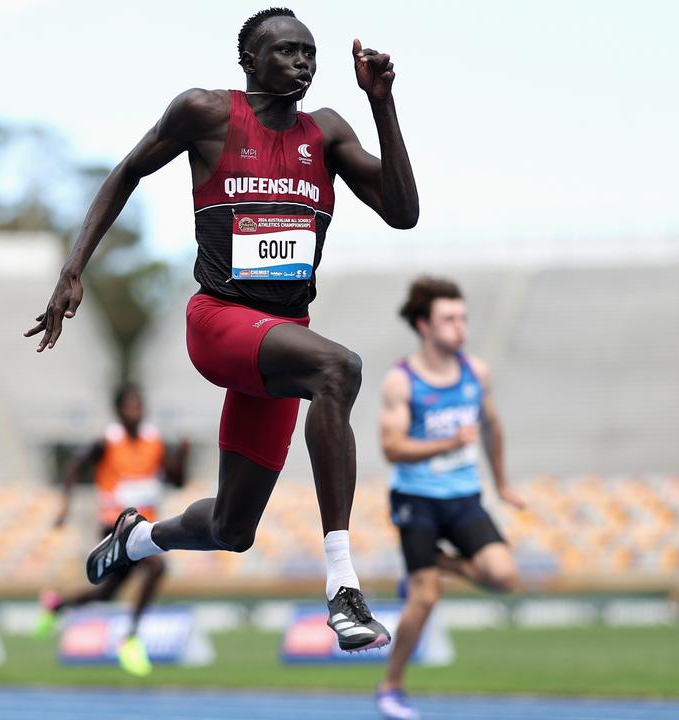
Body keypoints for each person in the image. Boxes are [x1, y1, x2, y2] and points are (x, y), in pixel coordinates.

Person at [25, 7, 417, 649]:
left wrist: (383, 105)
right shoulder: (206, 113)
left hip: (283, 336)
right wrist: (73, 270)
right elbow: (126, 172)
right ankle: (343, 588)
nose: (303, 62)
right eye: (287, 51)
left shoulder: (328, 133)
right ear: (250, 61)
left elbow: (403, 212)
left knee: (234, 528)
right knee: (338, 368)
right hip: (221, 323)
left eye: (310, 53)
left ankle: (138, 536)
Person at [374, 277, 523, 719]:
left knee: (503, 576)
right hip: (415, 499)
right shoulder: (402, 382)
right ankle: (391, 688)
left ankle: (435, 561)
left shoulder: (476, 372)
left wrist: (502, 485)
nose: (460, 327)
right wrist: (448, 442)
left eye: (463, 318)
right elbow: (391, 448)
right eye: (449, 319)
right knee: (425, 599)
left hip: (463, 495)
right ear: (424, 325)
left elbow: (492, 427)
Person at [35, 384, 189, 676]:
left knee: (107, 594)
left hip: (145, 527)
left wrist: (181, 456)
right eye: (129, 406)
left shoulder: (154, 441)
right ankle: (130, 638)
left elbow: (177, 482)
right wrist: (65, 506)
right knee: (157, 569)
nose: (135, 411)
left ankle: (57, 605)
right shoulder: (107, 441)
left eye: (138, 405)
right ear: (119, 410)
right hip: (113, 526)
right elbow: (75, 467)